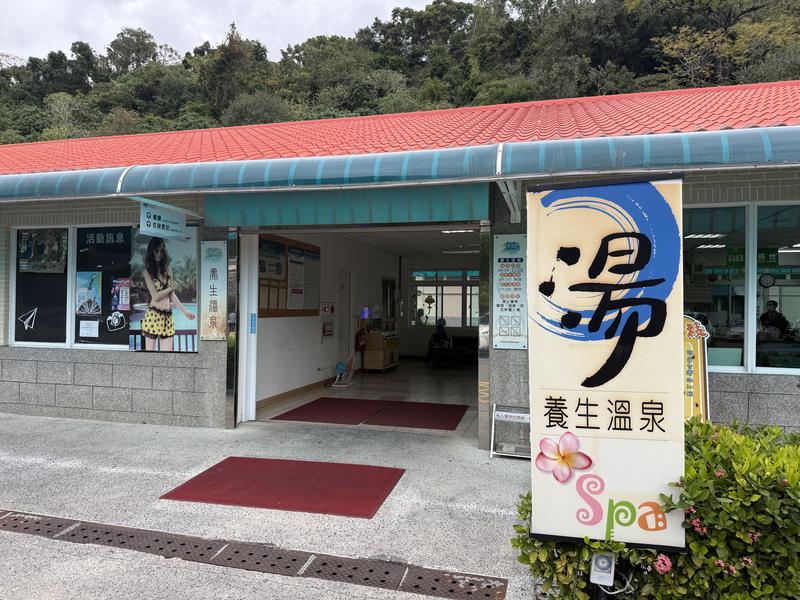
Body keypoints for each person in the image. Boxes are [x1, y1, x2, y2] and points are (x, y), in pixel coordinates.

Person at [141, 237, 195, 351]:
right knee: (150, 358)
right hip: (153, 316)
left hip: (167, 317)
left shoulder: (168, 270)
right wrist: (170, 288)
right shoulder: (147, 272)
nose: (159, 254)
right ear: (151, 251)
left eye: (162, 250)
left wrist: (186, 312)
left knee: (168, 357)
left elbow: (172, 296)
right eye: (156, 250)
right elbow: (155, 296)